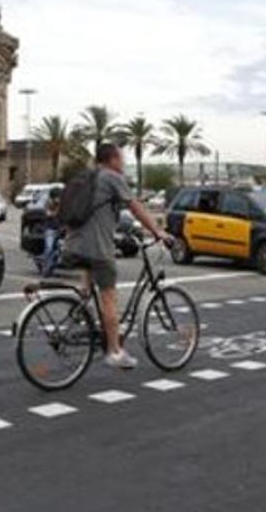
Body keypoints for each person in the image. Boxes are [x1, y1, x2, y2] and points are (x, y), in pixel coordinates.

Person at [65, 144, 170, 370]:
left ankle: (83, 309)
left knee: (91, 282)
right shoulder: (112, 177)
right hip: (97, 249)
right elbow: (135, 208)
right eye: (121, 158)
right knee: (109, 299)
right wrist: (157, 231)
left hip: (73, 244)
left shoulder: (87, 178)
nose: (123, 162)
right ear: (111, 159)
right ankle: (114, 351)